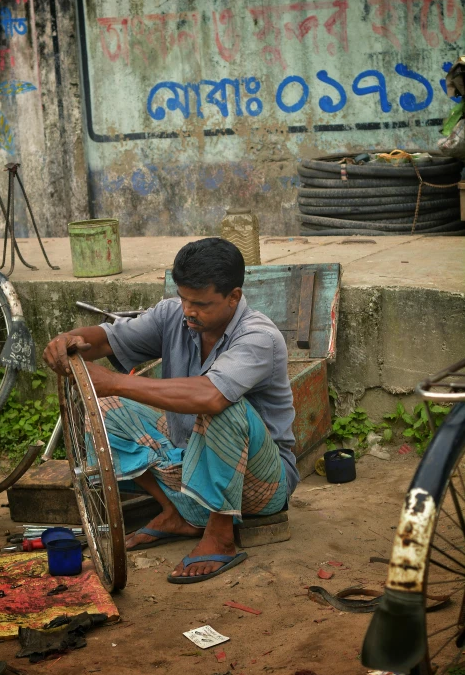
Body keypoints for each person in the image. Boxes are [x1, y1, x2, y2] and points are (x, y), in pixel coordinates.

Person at [44, 238, 299, 584]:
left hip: (261, 483)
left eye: (201, 303)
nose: (189, 310)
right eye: (183, 299)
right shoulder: (174, 315)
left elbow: (211, 396)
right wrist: (68, 341)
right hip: (190, 453)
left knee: (220, 405)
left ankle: (221, 535)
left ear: (233, 297)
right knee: (104, 408)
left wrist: (115, 382)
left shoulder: (259, 337)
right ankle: (177, 512)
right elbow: (105, 339)